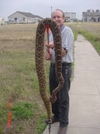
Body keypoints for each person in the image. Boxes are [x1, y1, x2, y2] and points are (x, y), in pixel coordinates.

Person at [45, 9, 74, 134]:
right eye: (54, 17)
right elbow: (53, 52)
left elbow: (63, 52)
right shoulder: (51, 31)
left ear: (64, 18)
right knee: (54, 94)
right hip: (53, 66)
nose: (56, 19)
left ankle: (63, 123)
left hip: (63, 68)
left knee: (63, 96)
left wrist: (54, 46)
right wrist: (48, 55)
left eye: (59, 17)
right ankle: (56, 116)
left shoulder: (67, 32)